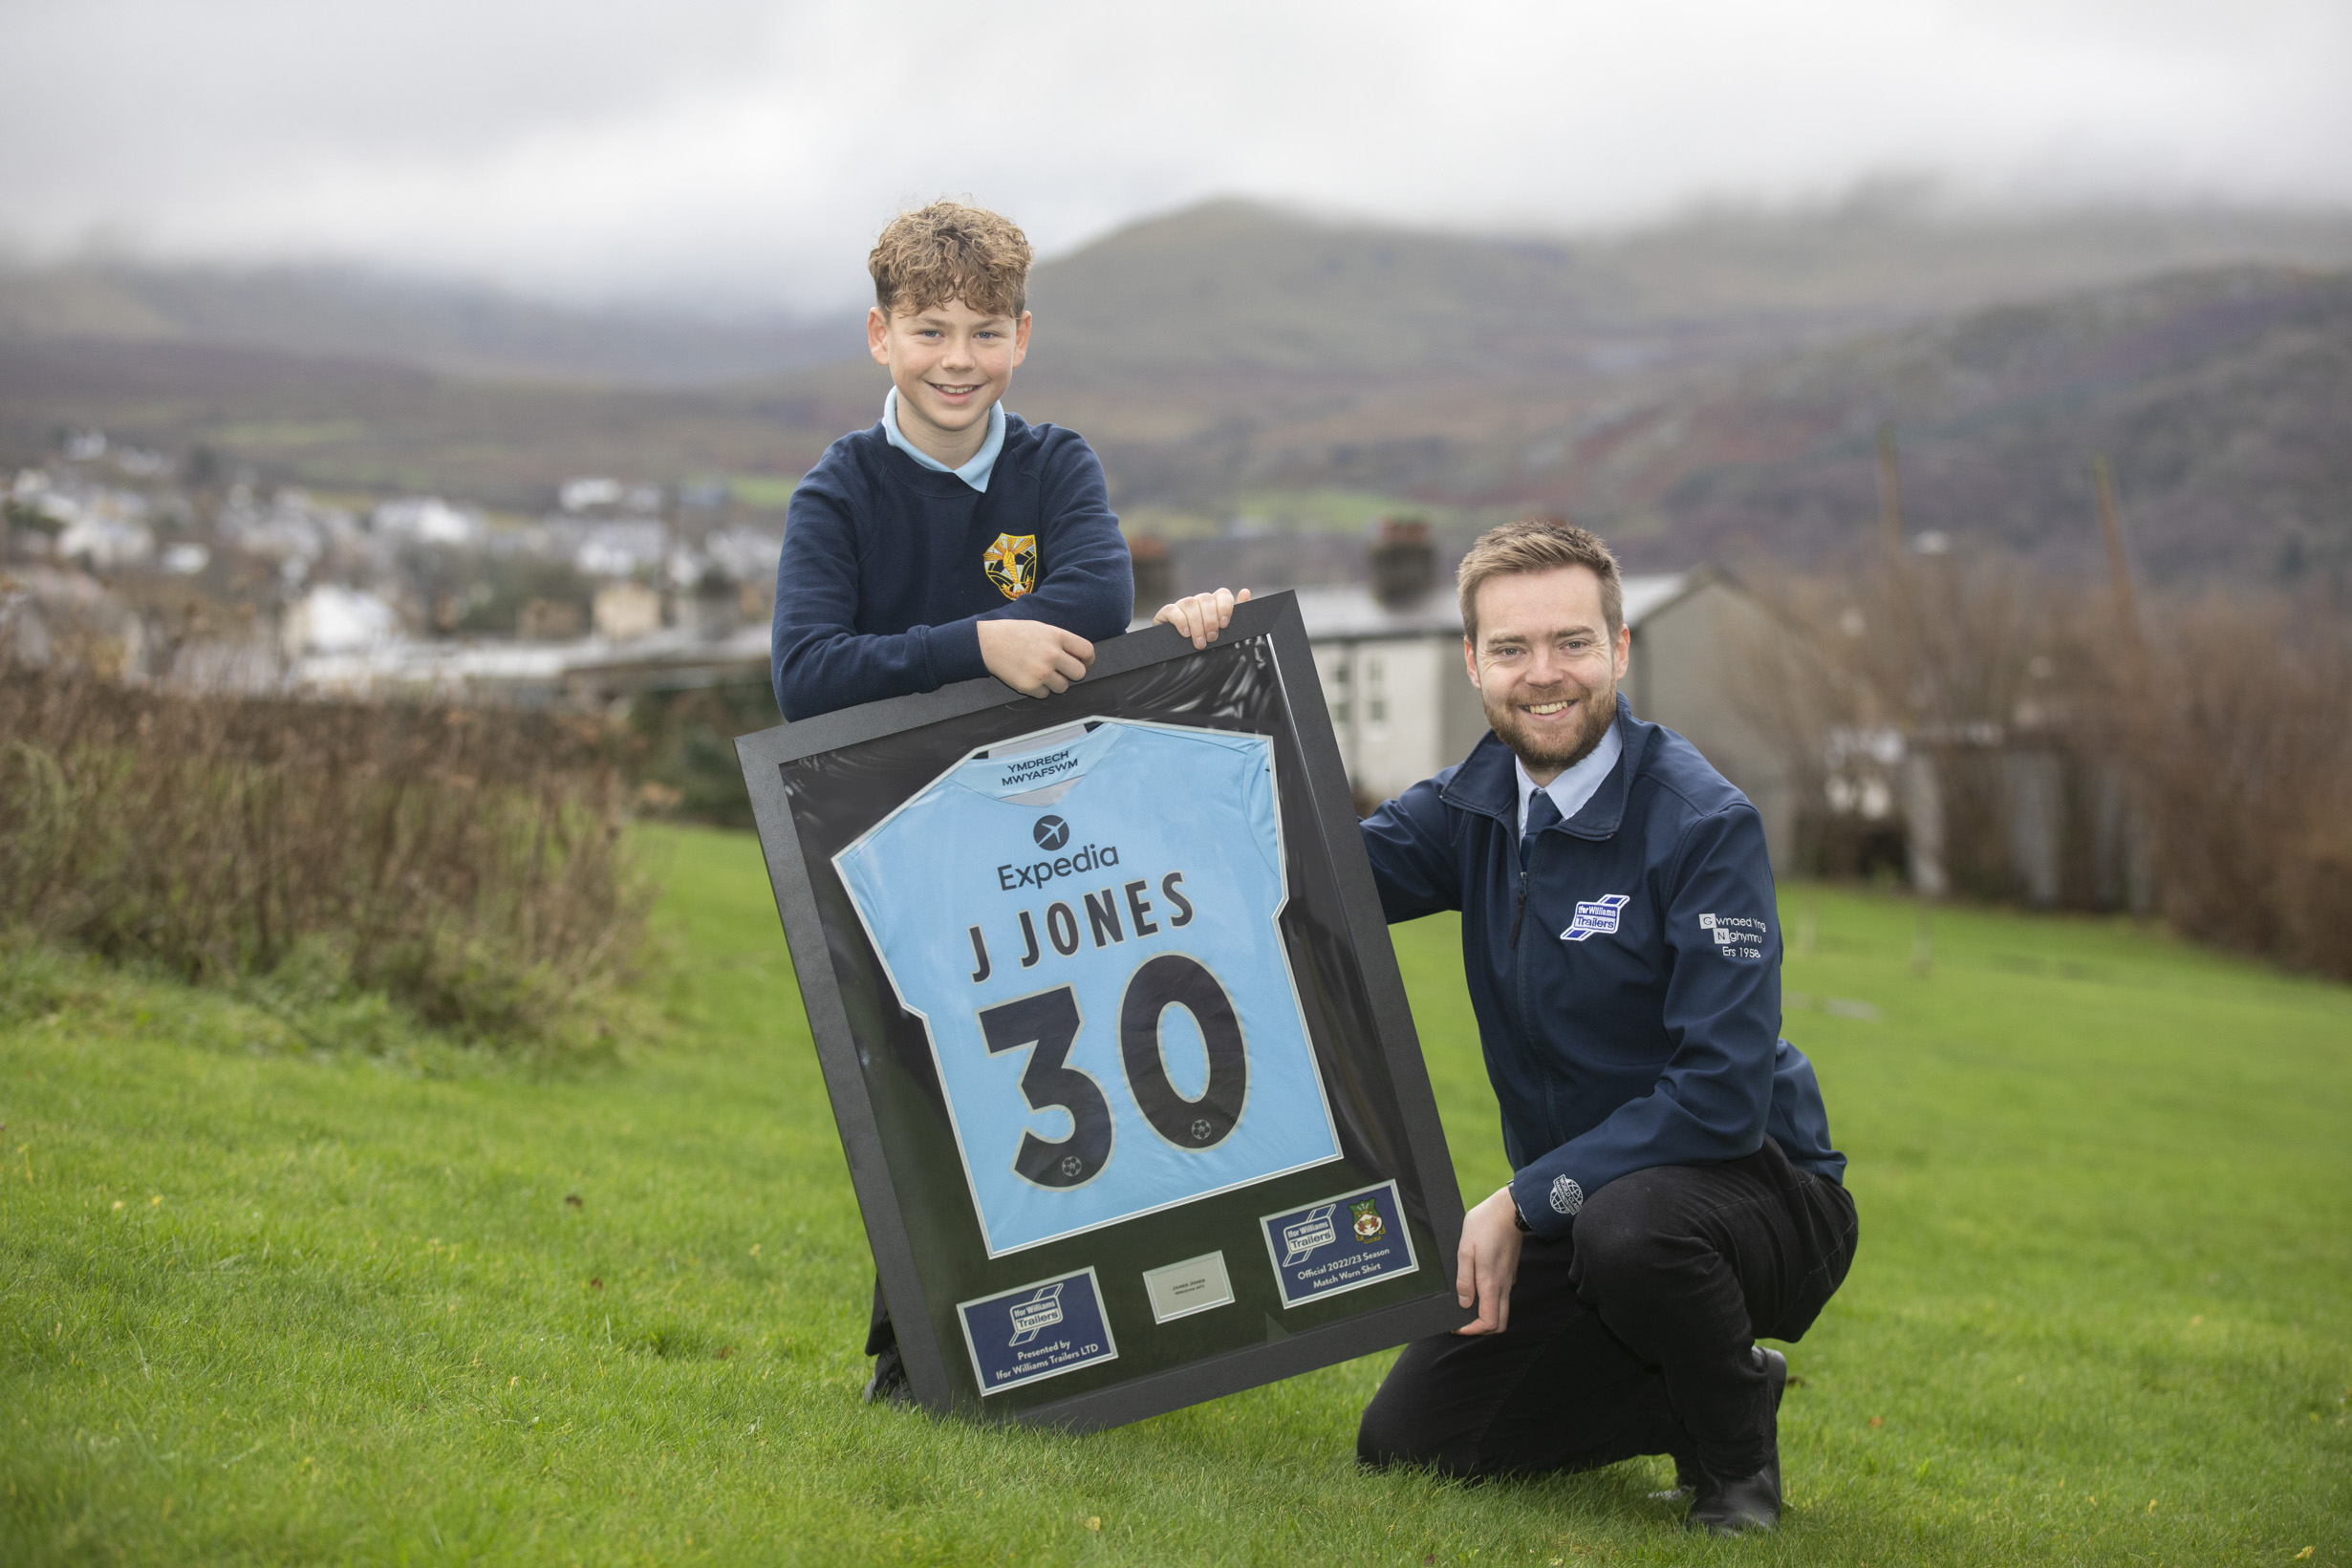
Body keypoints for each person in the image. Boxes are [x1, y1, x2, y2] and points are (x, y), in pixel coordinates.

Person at [1154, 520, 1857, 1535]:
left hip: (1756, 1192)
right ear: (1474, 664)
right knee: (1414, 1443)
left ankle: (1732, 1466)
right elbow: (1295, 873)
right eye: (1512, 649)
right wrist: (1204, 682)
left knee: (1634, 1228)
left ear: (1619, 650)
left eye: (1572, 642)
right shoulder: (1467, 808)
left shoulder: (1702, 822)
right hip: (1581, 1214)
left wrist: (1523, 1203)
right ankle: (1699, 1381)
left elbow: (1720, 1096)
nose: (1545, 675)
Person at [771, 201, 1133, 1403]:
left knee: (1053, 1079)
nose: (958, 360)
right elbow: (806, 672)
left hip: (1037, 836)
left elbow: (1099, 599)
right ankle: (907, 1358)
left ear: (1021, 338)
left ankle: (1068, 1339)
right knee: (926, 1087)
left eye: (984, 331)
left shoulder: (1054, 465)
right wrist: (974, 642)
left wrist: (1013, 631)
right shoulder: (838, 494)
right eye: (931, 330)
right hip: (894, 844)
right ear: (880, 336)